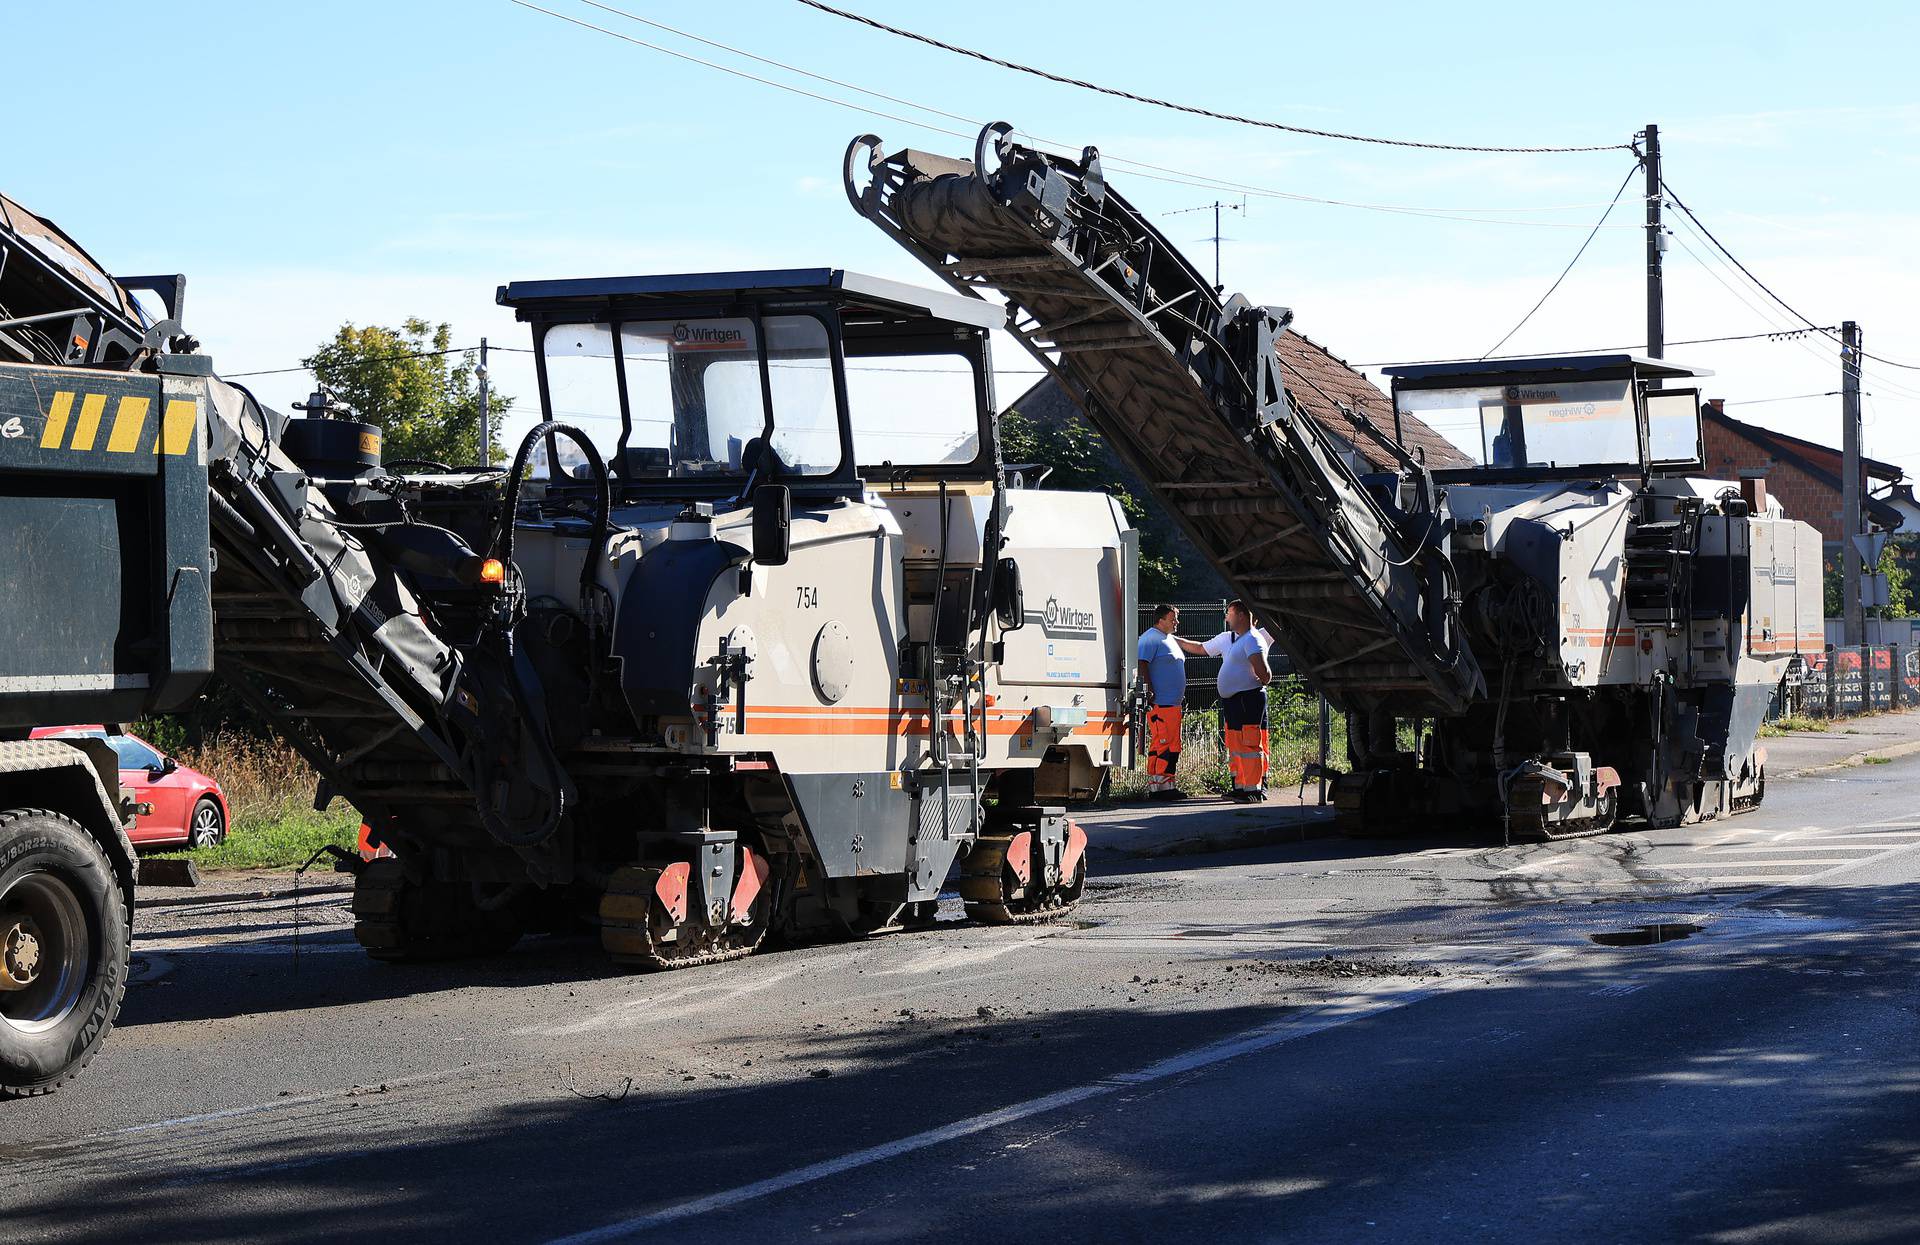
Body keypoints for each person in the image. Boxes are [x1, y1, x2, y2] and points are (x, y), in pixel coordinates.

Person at [1136, 605, 1209, 800]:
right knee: (1163, 743)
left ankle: (1164, 785)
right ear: (1160, 620)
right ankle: (1160, 787)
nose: (1177, 622)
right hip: (1161, 704)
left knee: (1170, 744)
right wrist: (1149, 690)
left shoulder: (1167, 639)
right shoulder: (1150, 638)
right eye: (1173, 619)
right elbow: (1141, 663)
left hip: (1171, 704)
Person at [1204, 599, 1274, 802]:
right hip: (1237, 700)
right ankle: (1242, 787)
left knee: (1249, 744)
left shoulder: (1252, 639)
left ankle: (1253, 791)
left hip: (1247, 699)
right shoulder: (1243, 639)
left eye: (1229, 613)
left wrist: (1261, 677)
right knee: (1238, 744)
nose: (1226, 618)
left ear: (1241, 615)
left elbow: (1264, 672)